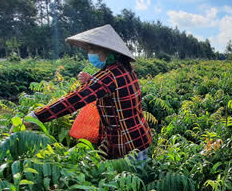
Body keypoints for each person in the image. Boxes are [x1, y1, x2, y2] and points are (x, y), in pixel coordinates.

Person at [25, 24, 152, 162]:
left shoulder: (109, 76)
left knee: (127, 181)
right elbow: (114, 90)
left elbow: (74, 100)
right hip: (139, 137)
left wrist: (35, 117)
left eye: (92, 49)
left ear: (107, 51)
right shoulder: (123, 68)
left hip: (127, 145)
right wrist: (92, 80)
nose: (90, 53)